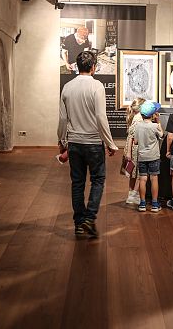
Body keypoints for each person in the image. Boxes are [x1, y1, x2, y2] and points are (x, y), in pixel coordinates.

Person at [57, 51, 117, 238]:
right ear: (93, 67)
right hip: (93, 143)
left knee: (77, 183)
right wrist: (110, 143)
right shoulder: (97, 86)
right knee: (98, 180)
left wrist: (61, 140)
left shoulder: (67, 87)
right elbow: (100, 116)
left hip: (74, 143)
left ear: (76, 66)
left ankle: (79, 223)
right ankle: (90, 218)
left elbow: (62, 118)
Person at [134, 101, 163, 213]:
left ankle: (142, 203)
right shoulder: (155, 126)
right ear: (153, 114)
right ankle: (155, 204)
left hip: (142, 156)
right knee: (154, 178)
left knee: (143, 179)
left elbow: (136, 142)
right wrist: (158, 121)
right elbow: (161, 134)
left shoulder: (138, 126)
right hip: (154, 156)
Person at [123, 97, 146, 205]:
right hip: (135, 149)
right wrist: (129, 153)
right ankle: (134, 195)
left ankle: (131, 194)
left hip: (131, 148)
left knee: (133, 173)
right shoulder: (139, 118)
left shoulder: (135, 117)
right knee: (139, 174)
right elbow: (132, 136)